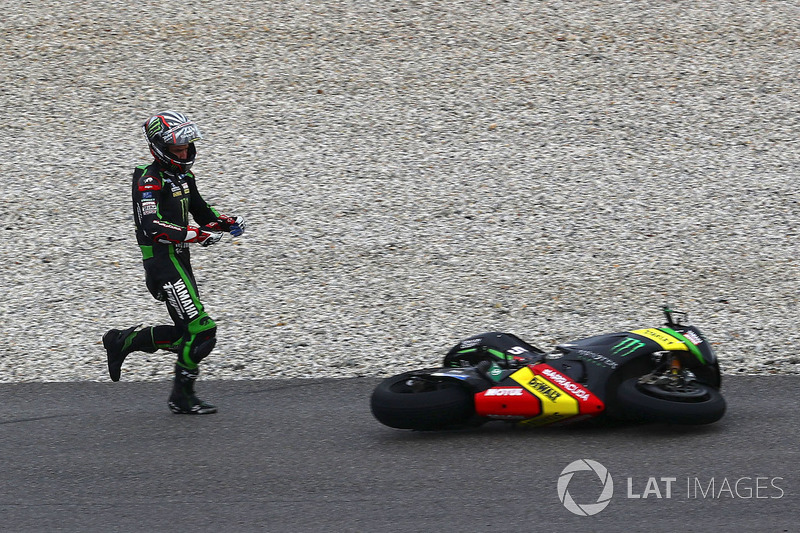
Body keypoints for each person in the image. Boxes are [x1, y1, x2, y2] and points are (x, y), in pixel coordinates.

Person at [103, 110, 246, 414]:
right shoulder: (148, 179)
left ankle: (124, 341)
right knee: (203, 330)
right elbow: (151, 227)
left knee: (188, 336)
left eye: (186, 147)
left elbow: (203, 212)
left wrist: (226, 222)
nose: (184, 153)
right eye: (177, 149)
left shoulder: (184, 177)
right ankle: (181, 396)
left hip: (180, 259)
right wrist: (195, 235)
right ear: (158, 148)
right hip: (161, 263)